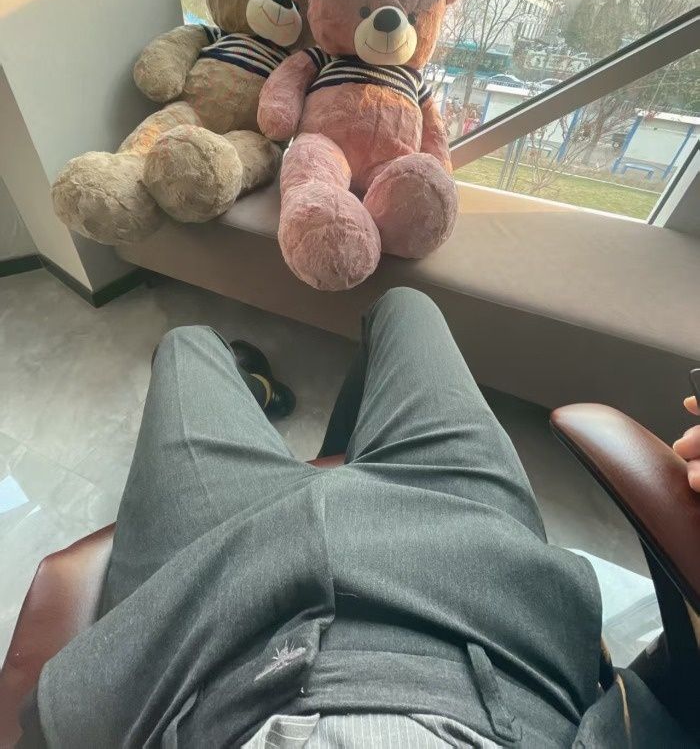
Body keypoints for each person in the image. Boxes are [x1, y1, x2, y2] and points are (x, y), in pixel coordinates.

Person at [20, 288, 696, 747]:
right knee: (405, 308)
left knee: (187, 346)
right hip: (475, 580)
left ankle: (265, 406)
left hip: (208, 617)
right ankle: (346, 454)